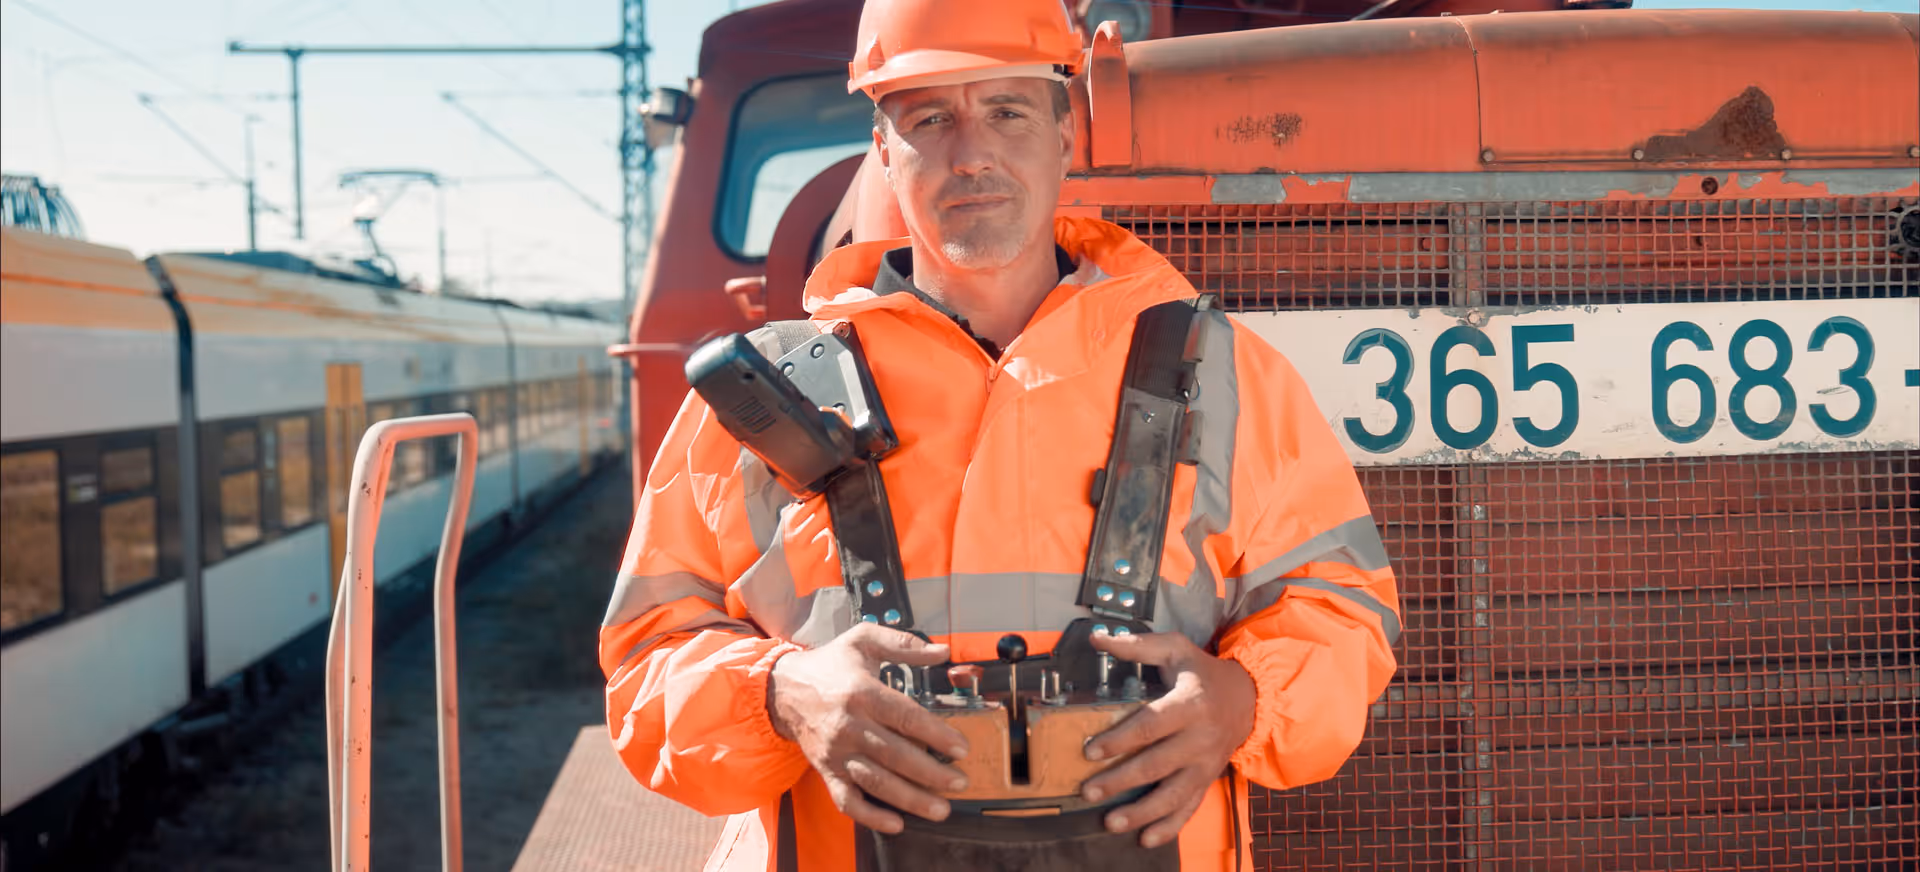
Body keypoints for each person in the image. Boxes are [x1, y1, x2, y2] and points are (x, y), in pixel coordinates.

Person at [598, 0, 1400, 868]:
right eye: (929, 117)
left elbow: (1344, 615)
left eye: (1007, 112)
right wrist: (783, 694)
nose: (970, 152)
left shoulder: (1229, 377)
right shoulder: (760, 400)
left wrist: (1244, 701)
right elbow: (646, 670)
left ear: (1065, 136)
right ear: (881, 150)